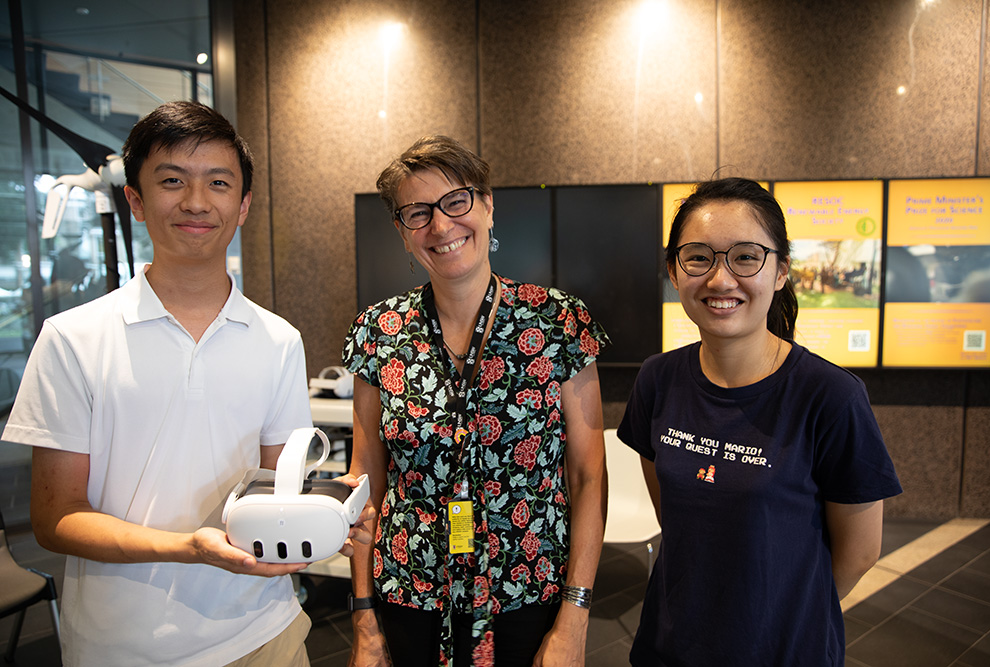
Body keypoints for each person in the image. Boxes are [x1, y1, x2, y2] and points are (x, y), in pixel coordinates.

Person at [2, 101, 371, 667]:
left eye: (218, 183)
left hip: (262, 632)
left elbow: (280, 486)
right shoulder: (72, 338)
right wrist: (189, 549)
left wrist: (321, 520)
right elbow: (55, 519)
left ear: (243, 205)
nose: (197, 202)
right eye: (172, 180)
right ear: (136, 200)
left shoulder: (277, 340)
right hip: (118, 646)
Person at [343, 135, 609, 666]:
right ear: (401, 232)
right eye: (417, 213)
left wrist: (575, 618)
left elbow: (588, 478)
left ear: (488, 206)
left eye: (456, 201)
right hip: (410, 592)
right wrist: (364, 619)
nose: (440, 227)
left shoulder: (556, 321)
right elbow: (364, 485)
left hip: (530, 592)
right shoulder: (379, 330)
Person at [618, 177, 902, 666]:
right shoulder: (658, 379)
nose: (721, 279)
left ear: (781, 271)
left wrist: (783, 612)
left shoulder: (830, 396)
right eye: (699, 257)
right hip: (671, 644)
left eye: (746, 257)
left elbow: (859, 551)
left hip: (782, 650)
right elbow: (676, 515)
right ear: (674, 271)